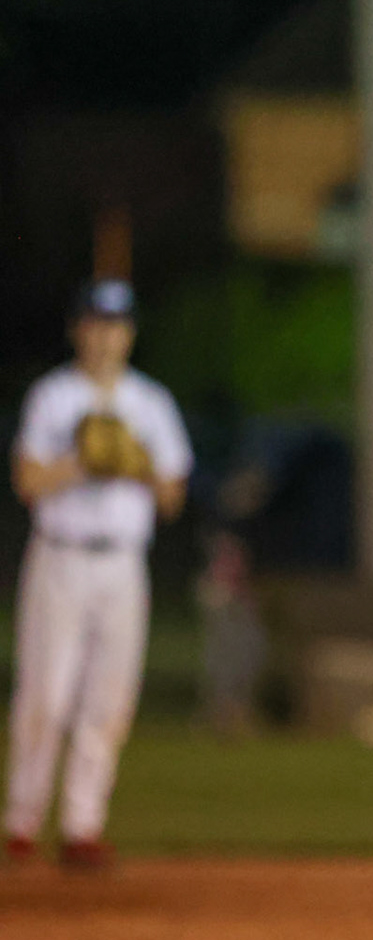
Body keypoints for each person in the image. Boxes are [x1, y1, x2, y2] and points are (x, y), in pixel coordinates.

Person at [6, 278, 193, 870]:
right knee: (46, 695)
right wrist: (81, 462)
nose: (107, 335)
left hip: (123, 565)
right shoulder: (53, 397)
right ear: (77, 329)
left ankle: (84, 825)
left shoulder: (151, 404)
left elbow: (172, 497)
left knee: (109, 701)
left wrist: (135, 465)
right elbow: (27, 481)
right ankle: (21, 822)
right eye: (96, 322)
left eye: (117, 324)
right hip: (61, 556)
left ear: (130, 333)